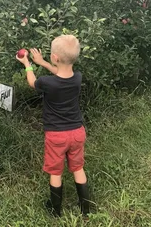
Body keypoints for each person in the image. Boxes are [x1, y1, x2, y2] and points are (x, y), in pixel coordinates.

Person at [16, 35, 90, 217]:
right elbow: (60, 73)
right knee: (78, 168)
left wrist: (28, 64)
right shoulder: (77, 78)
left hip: (56, 136)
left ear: (55, 58)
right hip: (77, 133)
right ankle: (86, 208)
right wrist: (42, 62)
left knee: (56, 172)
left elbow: (33, 82)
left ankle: (55, 211)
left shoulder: (46, 83)